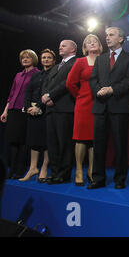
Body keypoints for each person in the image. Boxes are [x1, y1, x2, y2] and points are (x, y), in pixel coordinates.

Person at [88, 27, 129, 189]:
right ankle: (98, 178)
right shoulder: (101, 59)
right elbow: (93, 79)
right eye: (106, 35)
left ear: (121, 38)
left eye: (111, 35)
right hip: (100, 106)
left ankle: (120, 179)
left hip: (119, 107)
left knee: (120, 145)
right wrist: (98, 91)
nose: (107, 38)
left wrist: (112, 90)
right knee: (99, 145)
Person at [66, 34, 102, 186]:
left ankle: (92, 171)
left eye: (94, 41)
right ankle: (79, 170)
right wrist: (80, 95)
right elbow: (70, 83)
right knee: (81, 138)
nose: (91, 43)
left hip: (100, 103)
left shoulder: (105, 60)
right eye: (88, 42)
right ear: (84, 47)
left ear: (100, 45)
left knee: (94, 139)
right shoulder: (80, 61)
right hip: (83, 104)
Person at [41, 40, 77, 184]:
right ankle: (54, 172)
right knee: (52, 143)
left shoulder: (76, 62)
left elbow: (68, 82)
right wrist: (44, 96)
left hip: (65, 108)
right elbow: (46, 83)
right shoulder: (56, 67)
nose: (60, 47)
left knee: (64, 143)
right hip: (51, 109)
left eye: (64, 45)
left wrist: (51, 96)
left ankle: (64, 174)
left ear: (73, 48)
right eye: (60, 45)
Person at [1, 50, 39, 179]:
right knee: (13, 142)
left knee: (23, 142)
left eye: (28, 57)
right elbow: (11, 94)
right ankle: (11, 170)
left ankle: (20, 170)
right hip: (13, 110)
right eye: (23, 58)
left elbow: (37, 93)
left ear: (33, 59)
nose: (25, 59)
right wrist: (5, 110)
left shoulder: (37, 74)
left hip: (25, 110)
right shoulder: (18, 75)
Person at [20, 49, 56, 182]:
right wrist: (28, 106)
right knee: (33, 140)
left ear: (53, 60)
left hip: (46, 110)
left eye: (49, 58)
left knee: (46, 141)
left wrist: (39, 107)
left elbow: (50, 92)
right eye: (44, 58)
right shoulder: (36, 75)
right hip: (32, 111)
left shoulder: (55, 73)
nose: (46, 60)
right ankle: (32, 168)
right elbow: (28, 91)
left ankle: (44, 168)